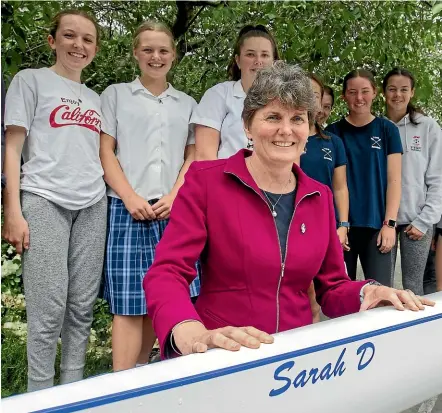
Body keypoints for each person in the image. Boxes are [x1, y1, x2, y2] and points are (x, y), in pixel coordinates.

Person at [144, 62, 433, 358]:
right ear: (248, 125)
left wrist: (368, 292)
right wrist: (187, 329)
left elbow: (332, 287)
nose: (286, 130)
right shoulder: (206, 181)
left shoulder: (318, 196)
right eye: (273, 117)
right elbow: (166, 273)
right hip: (223, 353)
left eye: (298, 118)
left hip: (295, 359)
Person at [2, 10, 107, 391]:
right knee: (47, 312)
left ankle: (73, 394)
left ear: (95, 48)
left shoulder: (96, 98)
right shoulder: (30, 81)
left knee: (80, 310)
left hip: (93, 204)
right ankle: (39, 398)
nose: (78, 45)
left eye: (87, 39)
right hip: (44, 199)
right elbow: (12, 148)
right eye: (69, 36)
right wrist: (12, 209)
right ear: (52, 41)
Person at [99, 21, 200, 372]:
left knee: (167, 292)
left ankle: (144, 369)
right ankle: (119, 382)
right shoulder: (115, 95)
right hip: (126, 208)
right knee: (129, 301)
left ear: (173, 55)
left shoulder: (187, 103)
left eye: (163, 50)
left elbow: (193, 156)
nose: (155, 57)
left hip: (172, 210)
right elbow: (106, 151)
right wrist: (128, 197)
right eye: (148, 50)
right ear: (136, 53)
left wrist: (176, 194)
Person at [326, 69, 403, 286]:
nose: (359, 98)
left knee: (381, 297)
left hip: (377, 226)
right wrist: (338, 224)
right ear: (344, 96)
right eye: (352, 92)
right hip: (343, 228)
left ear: (375, 93)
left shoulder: (387, 130)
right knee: (340, 294)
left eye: (364, 91)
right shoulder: (332, 133)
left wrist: (390, 224)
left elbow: (394, 180)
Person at [383, 68, 442, 295]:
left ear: (412, 93)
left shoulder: (428, 127)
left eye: (404, 90)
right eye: (392, 89)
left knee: (414, 288)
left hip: (417, 222)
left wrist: (425, 220)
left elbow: (437, 177)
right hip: (384, 221)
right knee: (381, 287)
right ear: (383, 93)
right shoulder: (378, 127)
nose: (398, 95)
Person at [191, 24, 279, 160]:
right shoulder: (218, 95)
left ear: (274, 62)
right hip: (226, 179)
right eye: (250, 54)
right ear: (238, 61)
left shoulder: (285, 99)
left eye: (265, 55)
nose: (258, 61)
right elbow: (204, 156)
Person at [302, 74, 350, 250]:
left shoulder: (333, 142)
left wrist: (343, 225)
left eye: (315, 95)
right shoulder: (282, 137)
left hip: (326, 222)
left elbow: (340, 187)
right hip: (288, 223)